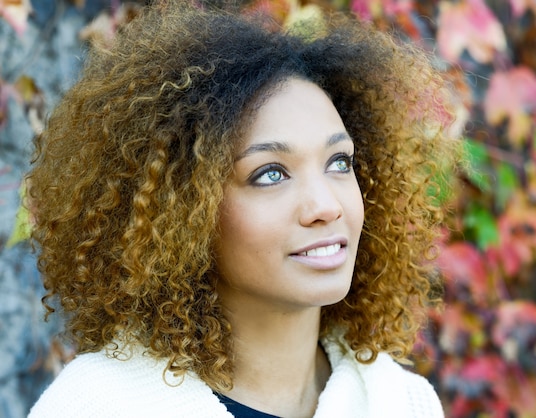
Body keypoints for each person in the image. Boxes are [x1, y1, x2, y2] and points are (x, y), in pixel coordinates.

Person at [26, 1, 460, 416]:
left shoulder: (401, 403)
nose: (326, 206)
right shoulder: (97, 407)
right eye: (270, 173)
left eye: (339, 163)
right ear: (182, 211)